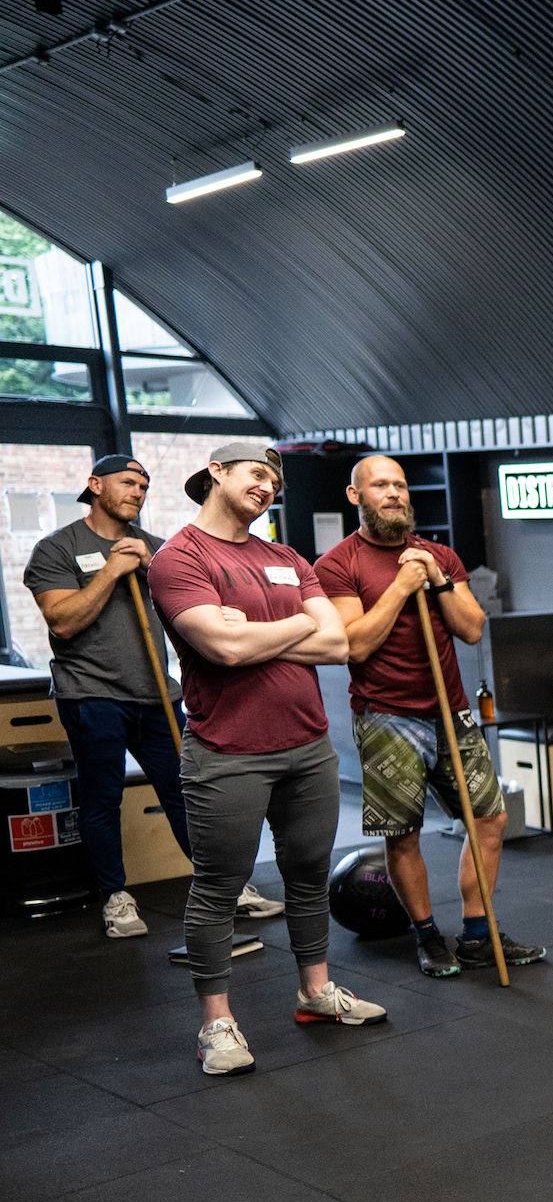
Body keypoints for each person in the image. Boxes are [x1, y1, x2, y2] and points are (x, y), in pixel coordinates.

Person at [148, 442, 389, 1077]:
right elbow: (223, 650)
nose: (269, 487)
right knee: (220, 887)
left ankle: (315, 993)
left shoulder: (286, 558)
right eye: (257, 474)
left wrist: (253, 633)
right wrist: (289, 629)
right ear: (216, 473)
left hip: (308, 745)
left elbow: (337, 642)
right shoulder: (179, 558)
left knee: (309, 872)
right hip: (227, 751)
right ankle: (216, 1024)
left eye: (275, 480)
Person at [23, 454, 283, 936]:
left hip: (158, 695)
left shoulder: (162, 551)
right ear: (94, 485)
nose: (137, 492)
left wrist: (149, 568)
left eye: (143, 486)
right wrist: (109, 571)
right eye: (126, 482)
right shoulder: (57, 548)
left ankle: (223, 887)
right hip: (91, 695)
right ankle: (116, 898)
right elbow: (62, 622)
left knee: (189, 795)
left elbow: (208, 611)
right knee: (102, 799)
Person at [317, 455, 541, 977]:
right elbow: (355, 644)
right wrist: (400, 587)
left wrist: (437, 579)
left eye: (399, 484)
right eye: (379, 485)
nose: (393, 493)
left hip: (451, 710)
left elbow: (472, 628)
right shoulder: (336, 564)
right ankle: (425, 936)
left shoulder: (439, 554)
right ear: (356, 497)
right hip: (386, 717)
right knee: (405, 833)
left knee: (490, 819)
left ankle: (477, 934)